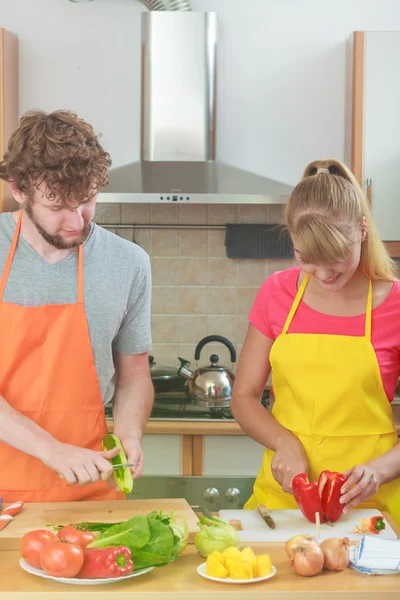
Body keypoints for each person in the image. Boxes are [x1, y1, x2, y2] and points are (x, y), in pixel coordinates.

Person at [231, 159, 400, 527]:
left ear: (362, 230)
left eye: (335, 260)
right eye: (306, 259)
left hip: (373, 508)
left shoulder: (397, 304)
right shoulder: (276, 292)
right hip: (284, 501)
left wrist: (379, 471)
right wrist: (284, 443)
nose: (323, 275)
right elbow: (243, 397)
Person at [0, 109, 154, 502]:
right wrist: (51, 449)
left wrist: (129, 432)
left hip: (89, 490)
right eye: (57, 207)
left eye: (86, 202)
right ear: (19, 190)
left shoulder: (128, 262)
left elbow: (134, 374)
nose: (75, 222)